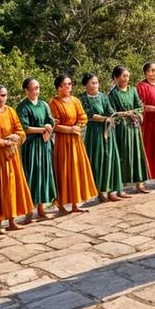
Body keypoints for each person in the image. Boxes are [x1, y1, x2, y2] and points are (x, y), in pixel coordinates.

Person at [0, 84, 32, 234]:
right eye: (2, 95)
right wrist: (4, 141)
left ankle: (12, 220)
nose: (5, 98)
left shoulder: (11, 111)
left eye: (6, 95)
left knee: (12, 187)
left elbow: (20, 131)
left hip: (12, 155)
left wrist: (16, 137)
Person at [47, 75, 96, 216]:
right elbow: (53, 124)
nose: (68, 86)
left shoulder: (75, 100)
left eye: (70, 84)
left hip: (76, 140)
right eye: (65, 84)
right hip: (63, 141)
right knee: (64, 170)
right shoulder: (54, 102)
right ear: (59, 87)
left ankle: (75, 203)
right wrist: (69, 129)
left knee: (77, 169)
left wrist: (78, 126)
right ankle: (61, 203)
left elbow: (82, 116)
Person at [16, 77, 56, 223]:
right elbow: (24, 127)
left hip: (44, 145)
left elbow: (50, 120)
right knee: (31, 175)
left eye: (37, 87)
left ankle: (41, 209)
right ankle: (28, 211)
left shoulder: (44, 104)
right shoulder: (23, 107)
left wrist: (48, 127)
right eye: (33, 88)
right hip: (31, 146)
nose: (36, 91)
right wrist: (43, 130)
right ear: (26, 90)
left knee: (44, 175)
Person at [79, 74, 122, 204]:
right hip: (95, 132)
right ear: (86, 84)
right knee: (98, 159)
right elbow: (89, 115)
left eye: (96, 83)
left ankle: (111, 190)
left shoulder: (104, 97)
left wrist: (112, 117)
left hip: (108, 130)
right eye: (92, 83)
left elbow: (110, 111)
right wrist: (105, 118)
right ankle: (100, 191)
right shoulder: (83, 98)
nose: (95, 85)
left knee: (110, 158)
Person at [106, 66, 148, 196]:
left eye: (128, 76)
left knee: (137, 153)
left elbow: (139, 106)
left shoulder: (133, 90)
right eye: (124, 76)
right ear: (116, 78)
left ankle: (139, 183)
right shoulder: (113, 94)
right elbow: (112, 112)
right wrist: (125, 114)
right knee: (123, 156)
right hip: (122, 129)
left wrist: (136, 113)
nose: (126, 78)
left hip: (134, 127)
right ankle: (121, 186)